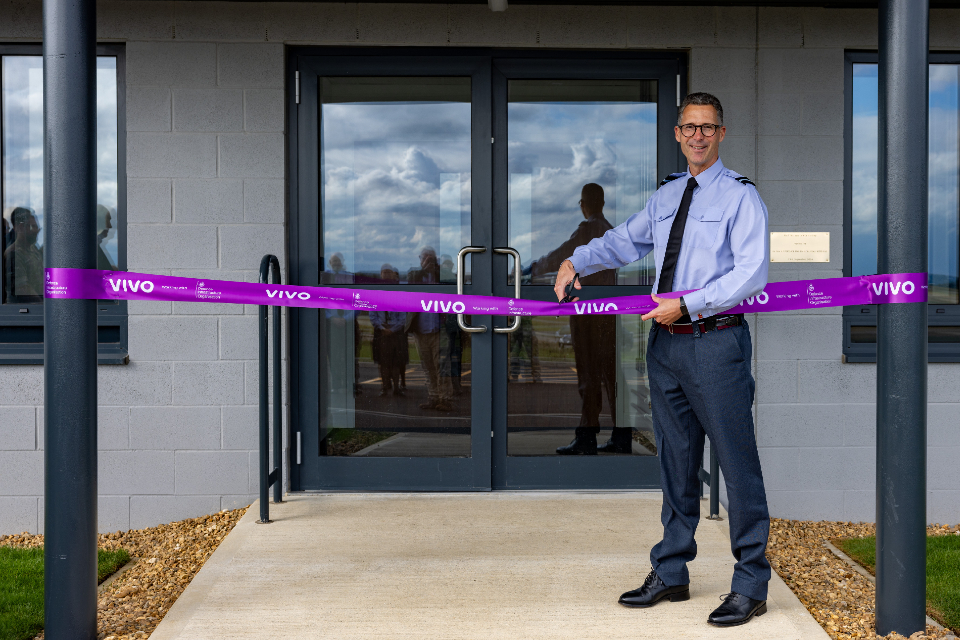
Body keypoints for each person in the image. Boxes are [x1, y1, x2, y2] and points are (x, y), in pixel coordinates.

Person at [553, 93, 771, 627]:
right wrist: (574, 259)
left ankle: (751, 582)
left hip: (715, 341)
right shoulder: (669, 195)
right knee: (675, 461)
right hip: (666, 347)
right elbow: (624, 242)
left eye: (708, 128)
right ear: (677, 134)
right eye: (689, 128)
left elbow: (751, 273)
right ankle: (671, 570)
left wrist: (688, 302)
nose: (698, 136)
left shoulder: (742, 198)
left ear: (721, 133)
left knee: (735, 462)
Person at [529, 183, 626, 454]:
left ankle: (587, 434)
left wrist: (532, 268)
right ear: (603, 203)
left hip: (588, 315)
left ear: (584, 204)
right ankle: (622, 434)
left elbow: (564, 255)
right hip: (608, 312)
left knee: (588, 372)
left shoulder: (588, 230)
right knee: (611, 373)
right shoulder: (609, 230)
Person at [406, 247, 453, 411]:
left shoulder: (442, 276)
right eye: (425, 258)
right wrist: (423, 269)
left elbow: (452, 284)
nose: (429, 261)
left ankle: (445, 398)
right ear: (420, 260)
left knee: (441, 366)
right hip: (420, 330)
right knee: (427, 367)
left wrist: (437, 269)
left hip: (438, 329)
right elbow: (411, 281)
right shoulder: (415, 275)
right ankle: (433, 397)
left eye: (431, 258)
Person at [370, 265, 407, 397]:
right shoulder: (375, 292)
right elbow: (372, 314)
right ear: (380, 275)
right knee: (383, 362)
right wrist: (382, 327)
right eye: (383, 272)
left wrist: (393, 329)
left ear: (393, 275)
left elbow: (403, 316)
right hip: (381, 333)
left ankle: (396, 388)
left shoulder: (399, 292)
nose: (386, 274)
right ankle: (385, 388)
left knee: (396, 362)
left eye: (388, 272)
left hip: (396, 333)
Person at [3, 207, 44, 304]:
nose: (37, 231)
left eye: (37, 227)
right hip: (25, 313)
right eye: (33, 227)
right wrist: (45, 305)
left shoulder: (33, 249)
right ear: (20, 228)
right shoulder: (14, 254)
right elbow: (23, 290)